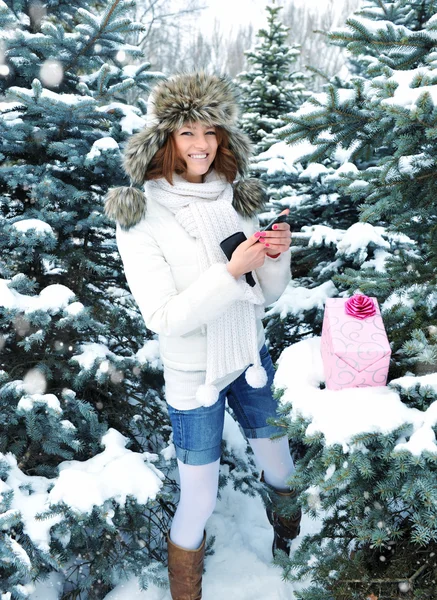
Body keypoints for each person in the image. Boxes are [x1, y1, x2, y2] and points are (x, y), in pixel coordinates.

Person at [105, 72, 301, 600]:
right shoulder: (142, 215)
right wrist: (230, 272)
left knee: (280, 466)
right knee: (199, 496)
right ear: (165, 139)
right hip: (194, 374)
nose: (201, 145)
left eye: (210, 132)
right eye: (187, 133)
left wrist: (275, 257)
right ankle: (184, 591)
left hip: (248, 355)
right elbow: (164, 316)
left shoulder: (236, 197)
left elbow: (268, 292)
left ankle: (290, 548)